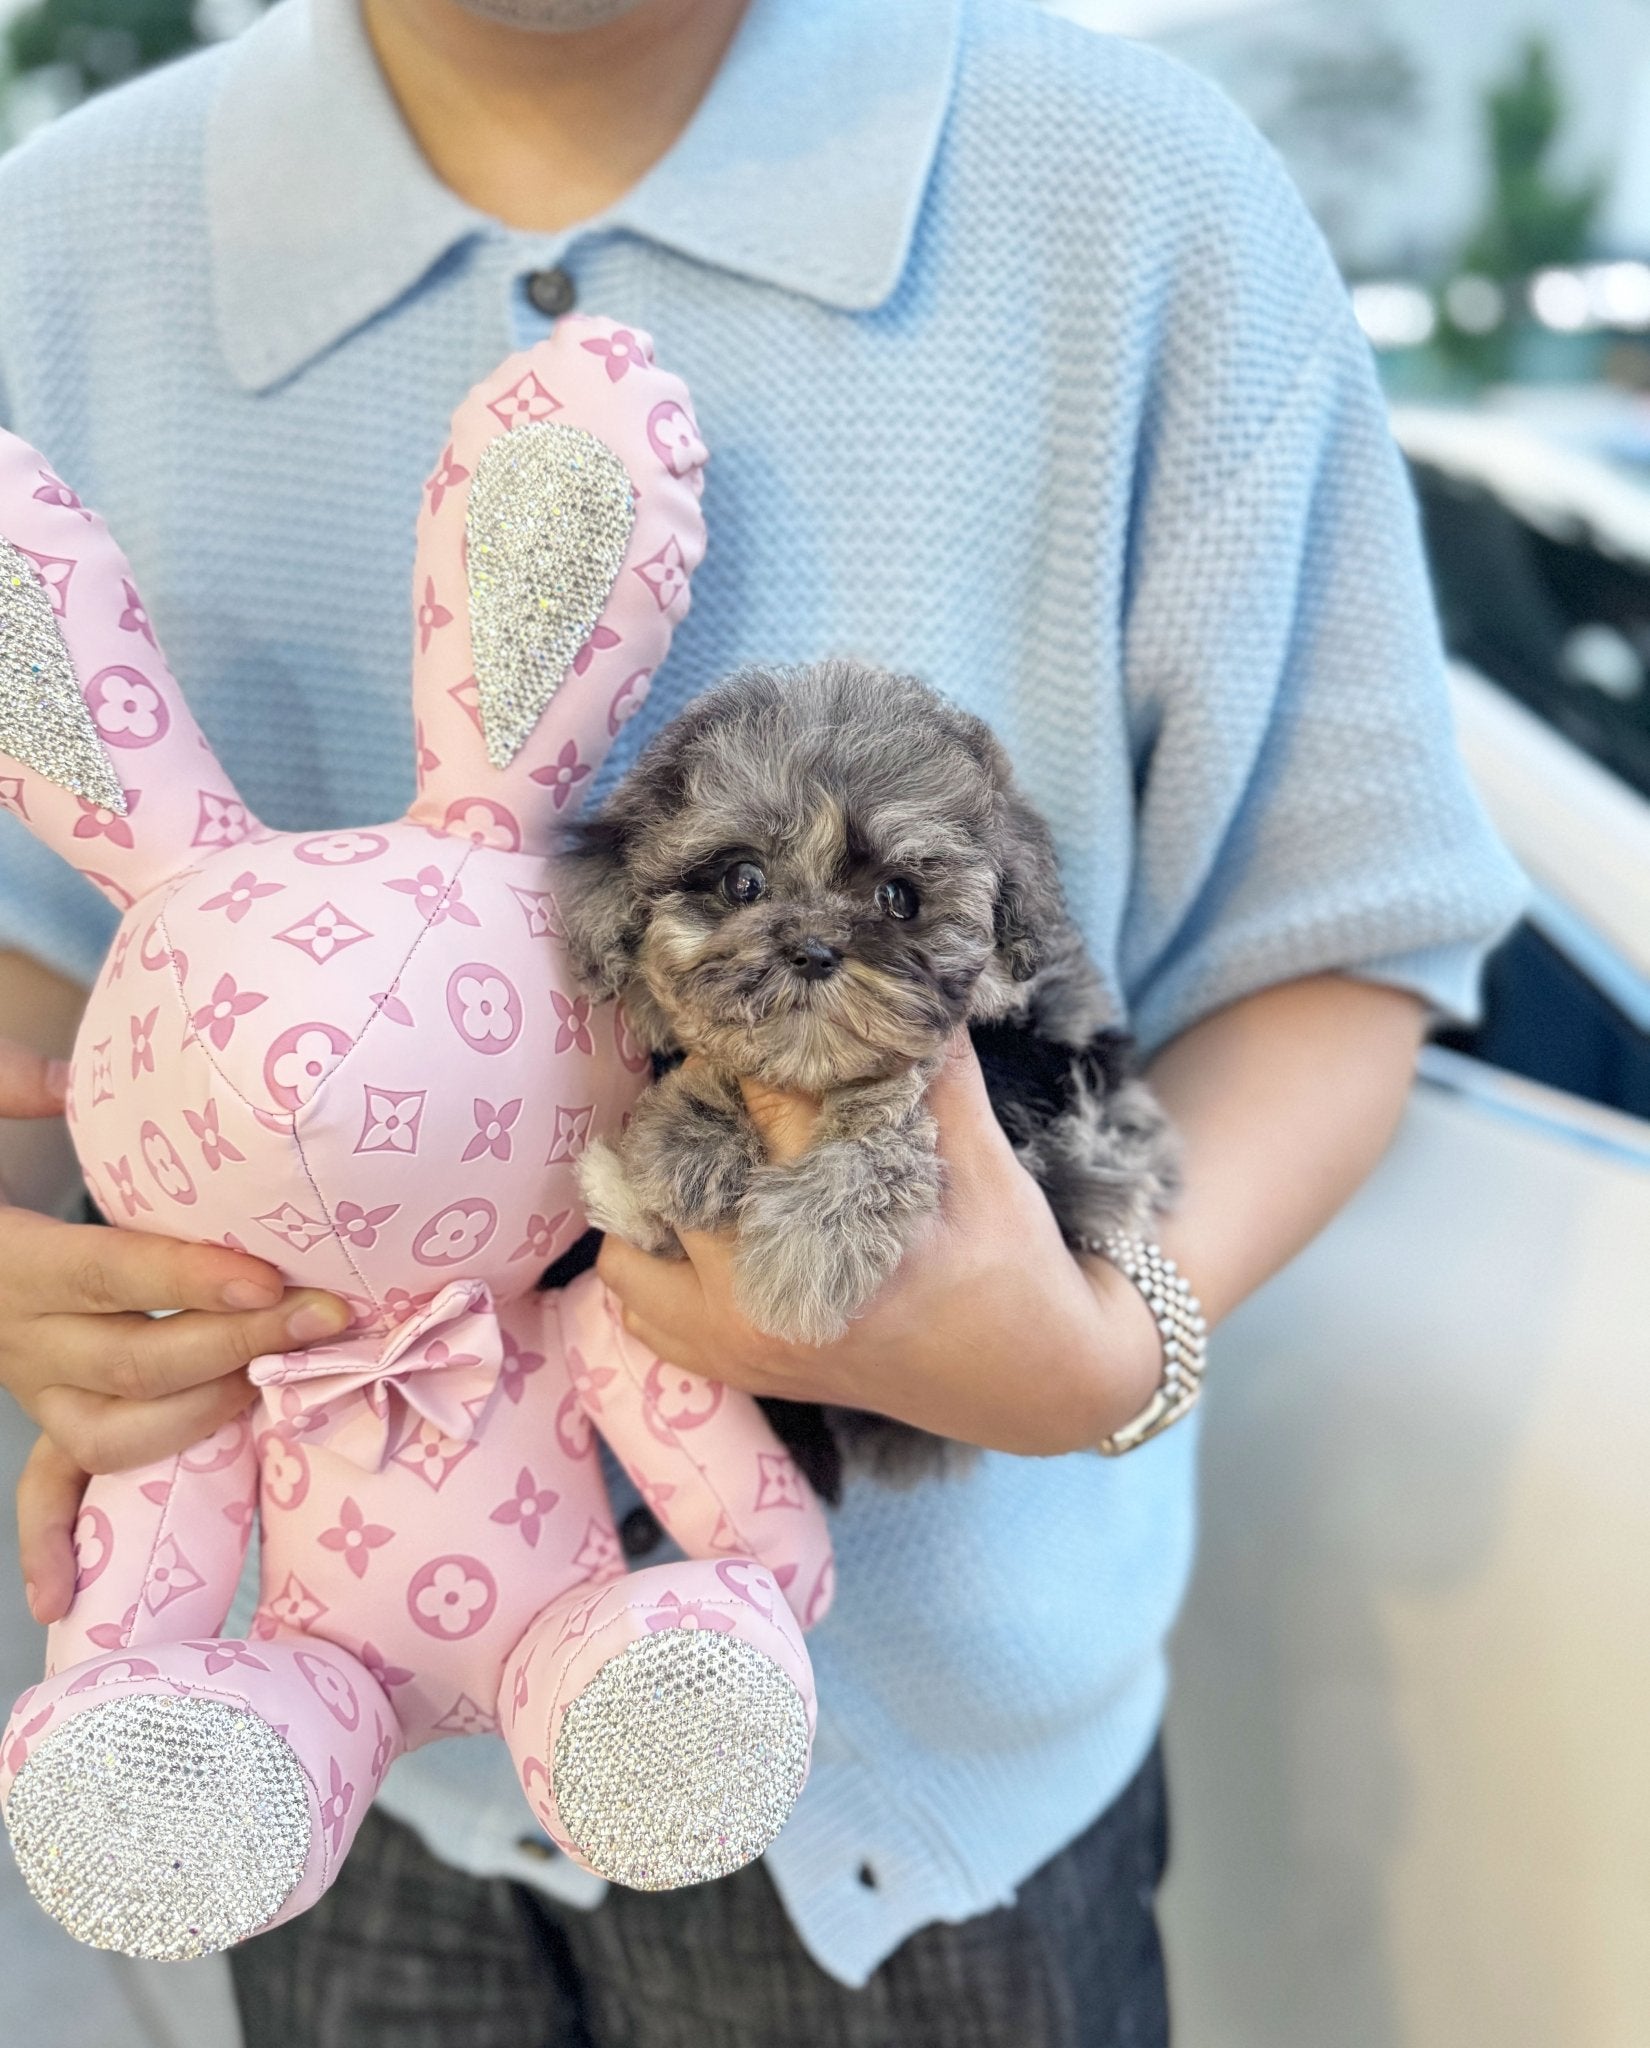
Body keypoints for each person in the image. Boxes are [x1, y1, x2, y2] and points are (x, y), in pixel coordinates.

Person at [0, 0, 1525, 2042]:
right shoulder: (57, 250)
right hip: (324, 1734)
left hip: (940, 1796)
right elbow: (40, 930)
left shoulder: (1133, 194)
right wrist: (55, 1268)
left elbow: (1339, 928)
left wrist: (1104, 1344)